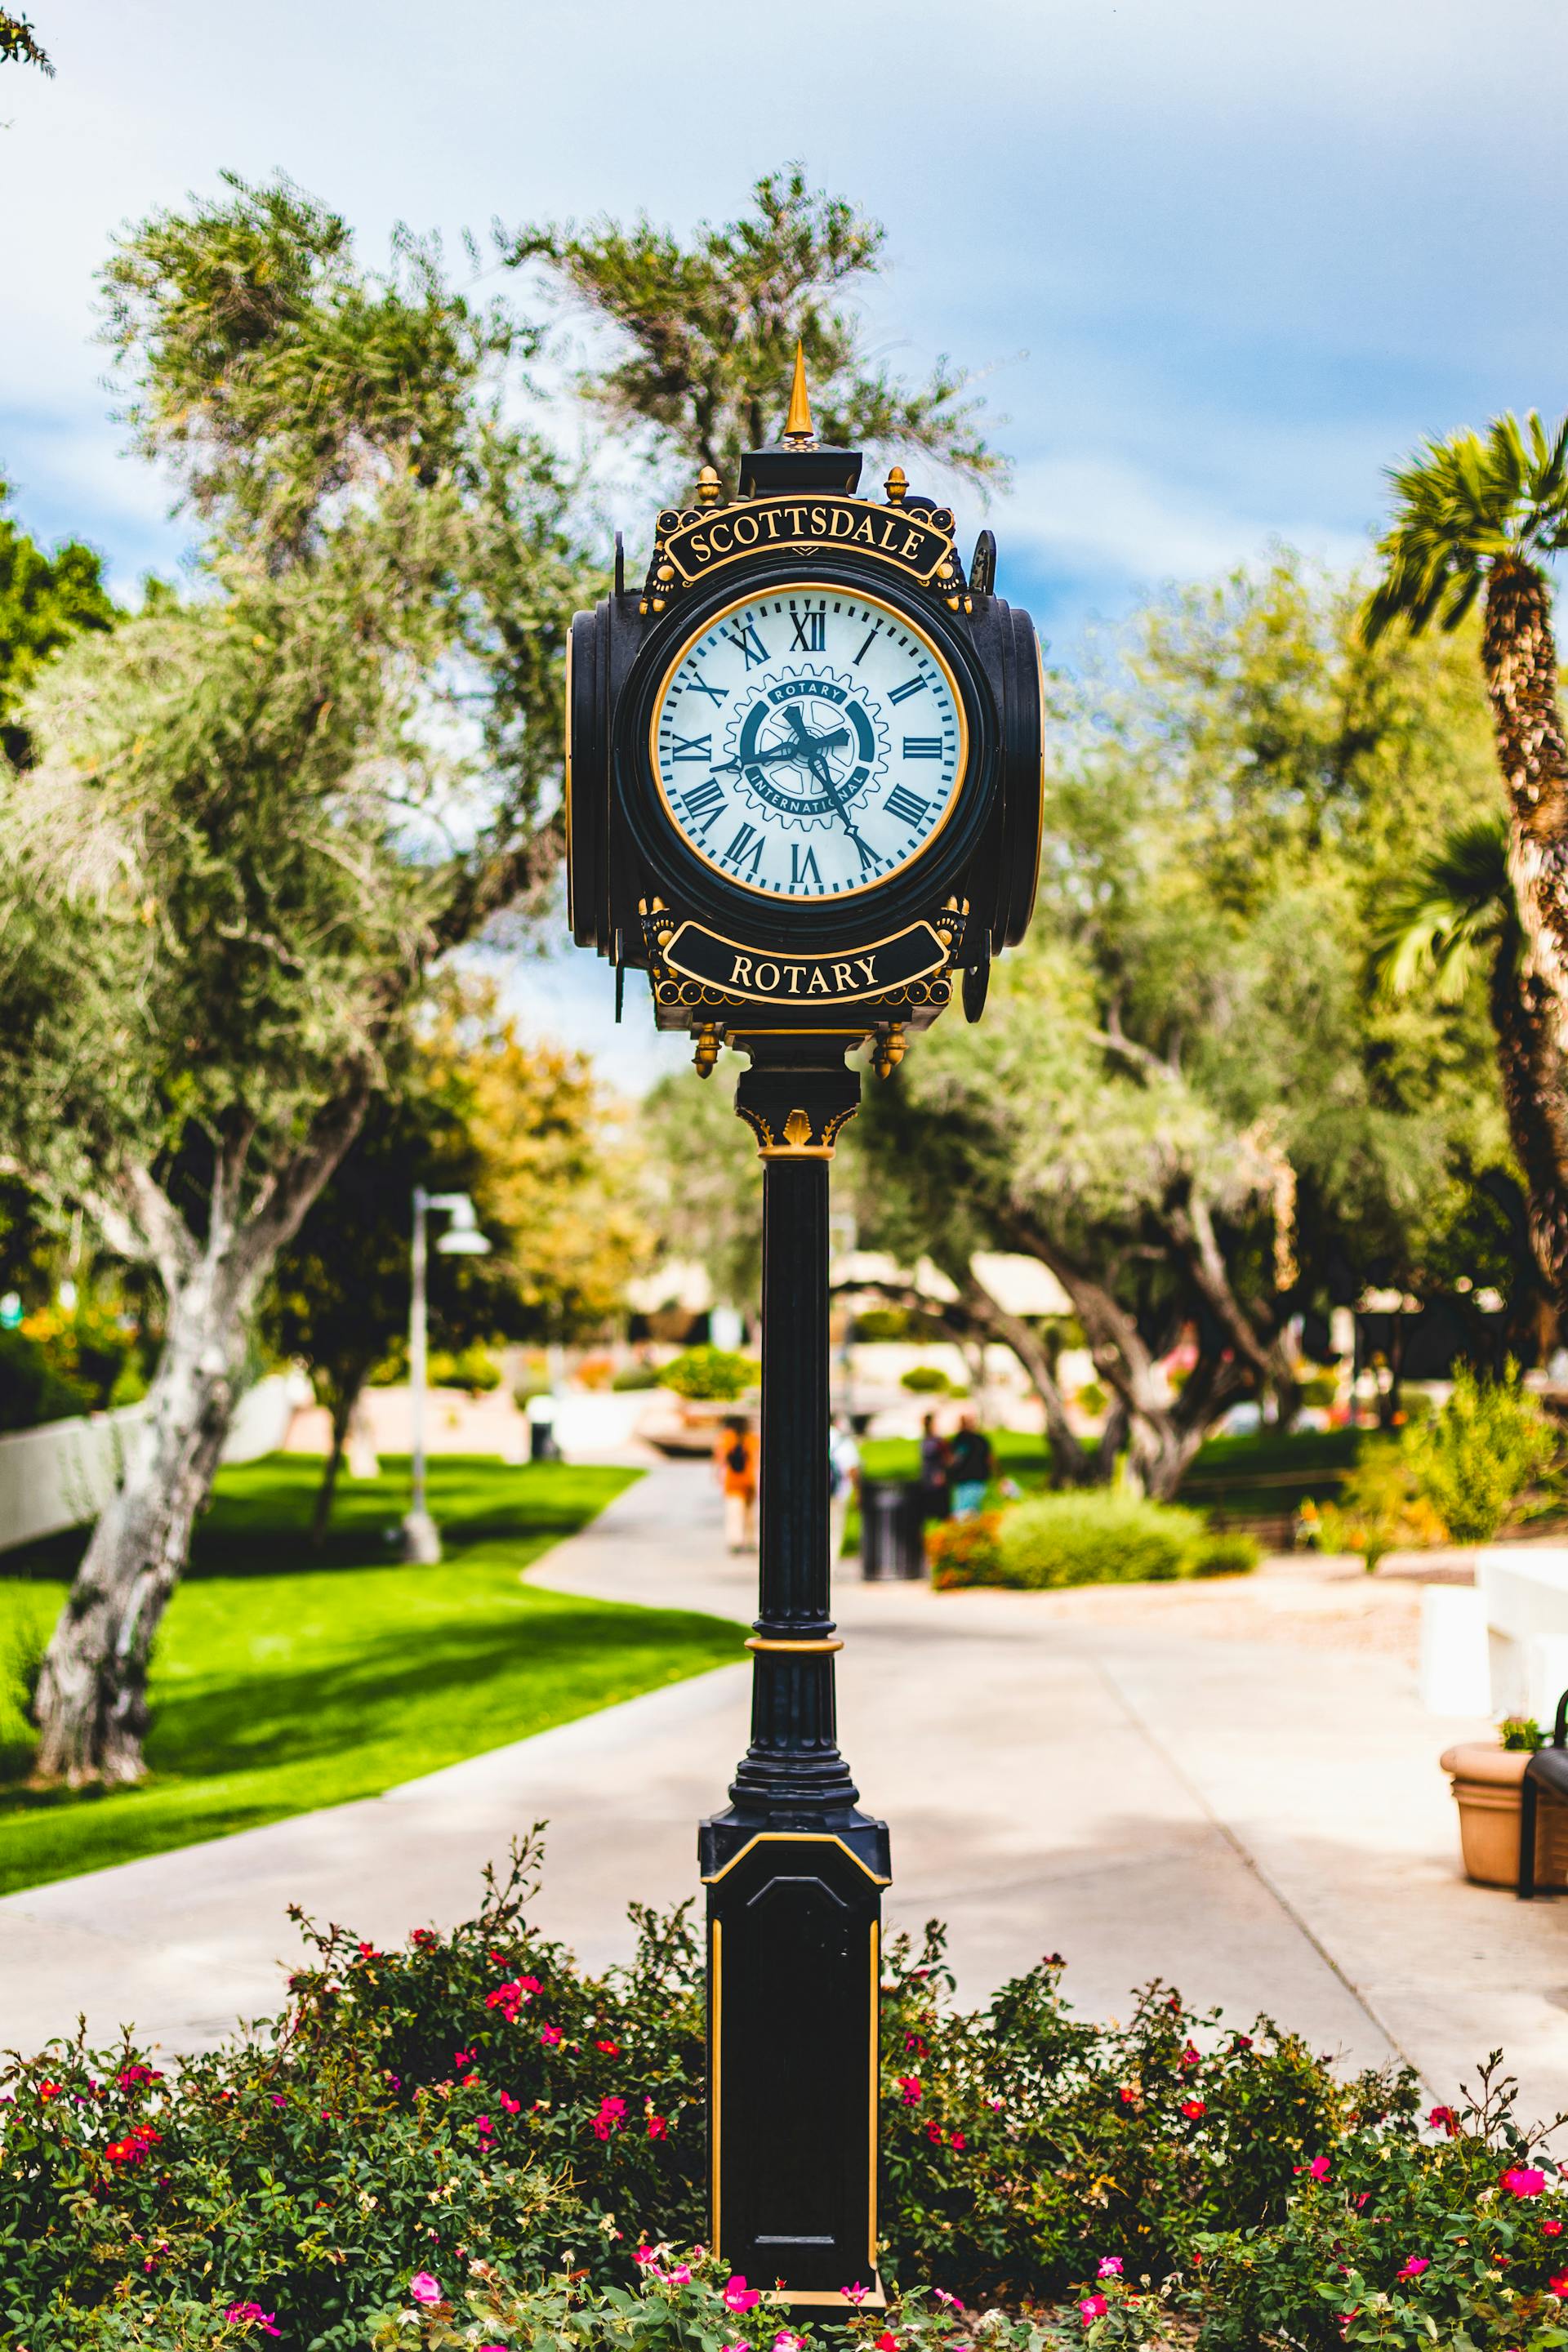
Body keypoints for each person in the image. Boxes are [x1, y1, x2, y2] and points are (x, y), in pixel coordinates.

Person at [715, 1414, 759, 1552]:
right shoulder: (752, 1439)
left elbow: (721, 1460)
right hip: (748, 1480)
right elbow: (757, 1460)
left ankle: (735, 1541)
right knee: (749, 1513)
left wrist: (718, 1476)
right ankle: (750, 1540)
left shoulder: (726, 1439)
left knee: (734, 1513)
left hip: (732, 1481)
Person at [948, 1411, 994, 1519]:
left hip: (975, 1480)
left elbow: (990, 1460)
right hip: (963, 1481)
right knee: (970, 1511)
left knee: (964, 1512)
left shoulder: (975, 1440)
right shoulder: (961, 1440)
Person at [828, 1414, 861, 1564]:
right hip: (839, 1493)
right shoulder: (842, 1441)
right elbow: (852, 1469)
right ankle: (830, 1565)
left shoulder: (811, 1438)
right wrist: (858, 1493)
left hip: (815, 1494)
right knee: (835, 1531)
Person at [917, 1410, 951, 1524]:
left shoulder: (939, 1441)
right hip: (926, 1478)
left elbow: (948, 1459)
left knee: (940, 1509)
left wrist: (942, 1473)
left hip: (937, 1478)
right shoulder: (924, 1441)